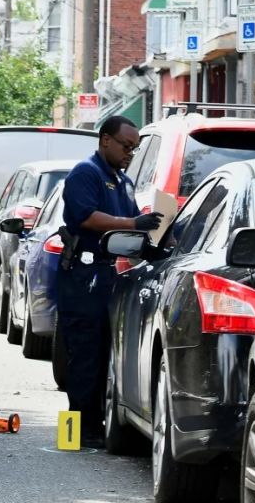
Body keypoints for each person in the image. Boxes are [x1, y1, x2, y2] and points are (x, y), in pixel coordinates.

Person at [57, 115, 162, 448]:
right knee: (83, 355)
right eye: (126, 146)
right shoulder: (85, 173)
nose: (130, 153)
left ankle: (94, 425)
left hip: (107, 275)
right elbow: (86, 217)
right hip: (82, 275)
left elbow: (133, 227)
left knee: (103, 352)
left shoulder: (122, 180)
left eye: (134, 148)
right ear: (105, 140)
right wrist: (134, 221)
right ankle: (74, 432)